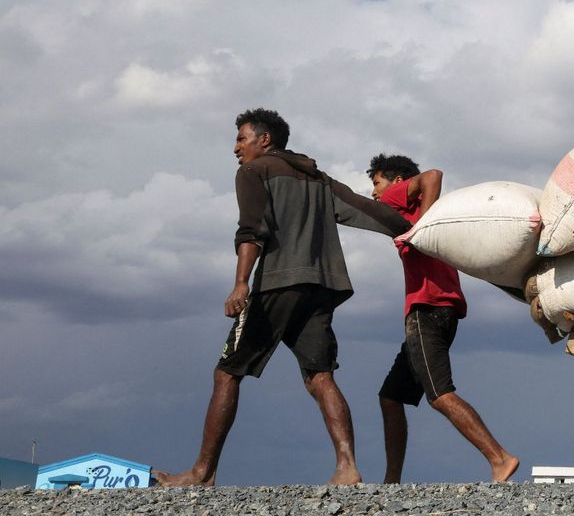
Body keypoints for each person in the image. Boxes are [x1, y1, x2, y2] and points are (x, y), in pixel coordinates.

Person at [155, 109, 412, 487]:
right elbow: (366, 209)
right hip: (323, 286)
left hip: (277, 284)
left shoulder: (253, 172)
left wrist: (241, 283)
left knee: (227, 373)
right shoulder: (318, 178)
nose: (236, 148)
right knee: (320, 376)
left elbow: (251, 229)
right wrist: (411, 225)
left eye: (242, 139)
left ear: (265, 140)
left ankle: (201, 473)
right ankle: (347, 467)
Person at [365, 154, 520, 484]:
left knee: (439, 394)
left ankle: (500, 458)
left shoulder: (404, 200)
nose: (374, 193)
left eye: (376, 183)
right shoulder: (412, 216)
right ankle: (392, 480)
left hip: (427, 310)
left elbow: (432, 174)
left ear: (396, 182)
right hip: (441, 310)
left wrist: (423, 224)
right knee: (391, 397)